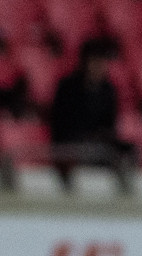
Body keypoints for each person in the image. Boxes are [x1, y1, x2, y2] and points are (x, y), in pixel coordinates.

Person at [49, 37, 125, 167]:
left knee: (126, 150)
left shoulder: (108, 90)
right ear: (85, 62)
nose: (100, 66)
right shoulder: (68, 87)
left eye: (103, 62)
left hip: (99, 144)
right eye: (95, 61)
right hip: (73, 143)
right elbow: (61, 124)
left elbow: (109, 124)